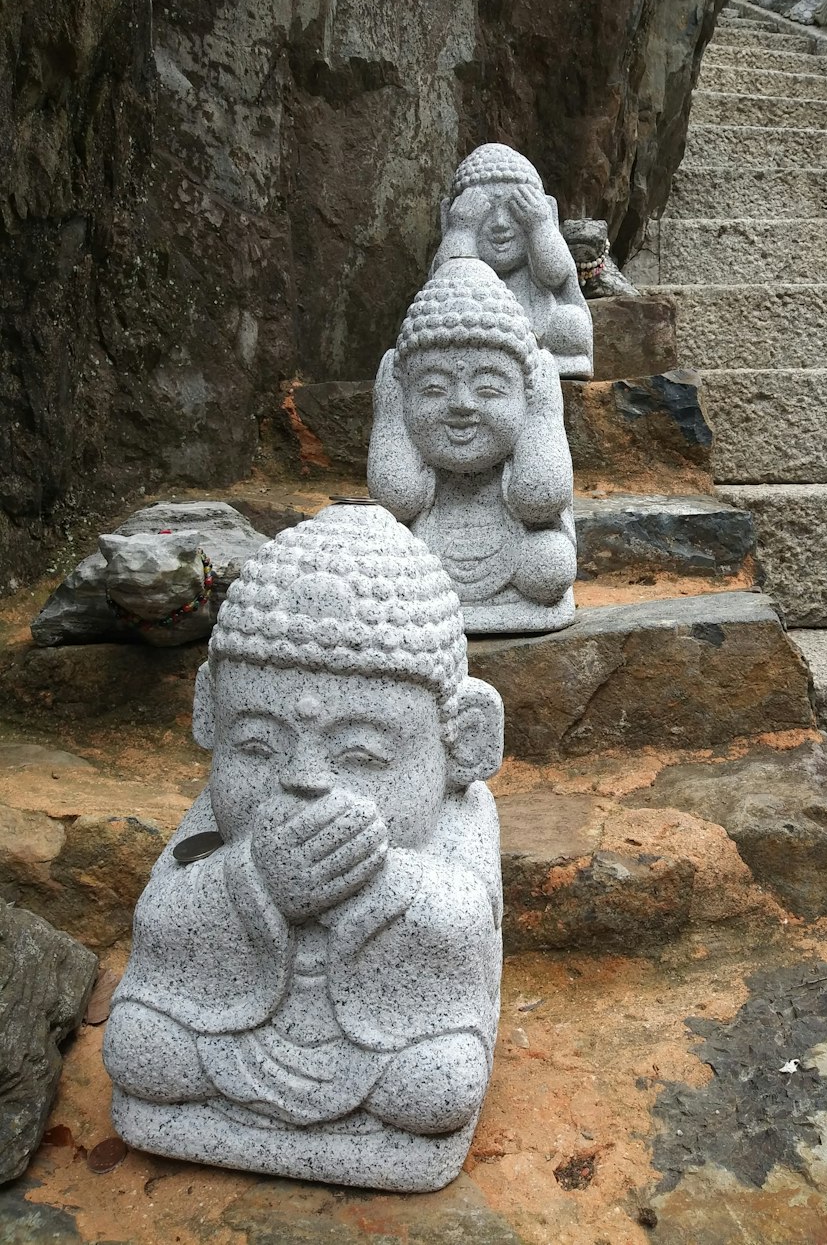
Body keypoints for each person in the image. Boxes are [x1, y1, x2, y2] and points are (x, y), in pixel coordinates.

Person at [103, 504, 504, 1191]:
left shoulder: (462, 814)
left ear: (461, 744)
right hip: (230, 1025)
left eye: (362, 753)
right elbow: (162, 919)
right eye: (257, 744)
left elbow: (466, 922)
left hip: (382, 1039)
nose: (306, 779)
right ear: (210, 716)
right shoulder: (215, 823)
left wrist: (383, 881)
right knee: (139, 1048)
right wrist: (251, 876)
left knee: (437, 1085)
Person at [367, 258, 577, 635]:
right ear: (401, 394)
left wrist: (545, 409)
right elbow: (396, 497)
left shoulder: (536, 405)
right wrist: (388, 417)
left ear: (527, 393)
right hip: (427, 541)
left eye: (489, 389)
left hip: (515, 544)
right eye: (432, 388)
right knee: (382, 566)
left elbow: (541, 497)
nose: (462, 404)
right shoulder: (400, 414)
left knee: (551, 562)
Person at [433, 143, 593, 379]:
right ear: (451, 215)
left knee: (571, 322)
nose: (500, 223)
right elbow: (444, 281)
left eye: (514, 209)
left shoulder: (537, 245)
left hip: (537, 328)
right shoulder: (459, 234)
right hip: (474, 329)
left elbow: (556, 275)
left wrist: (539, 226)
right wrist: (463, 230)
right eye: (484, 211)